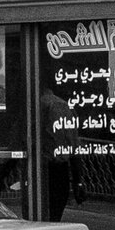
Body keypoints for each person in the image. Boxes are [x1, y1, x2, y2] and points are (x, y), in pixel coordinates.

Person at [41, 86, 86, 221]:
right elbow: (73, 145)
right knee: (52, 220)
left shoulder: (49, 105)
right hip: (55, 170)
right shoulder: (59, 105)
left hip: (50, 170)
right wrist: (78, 181)